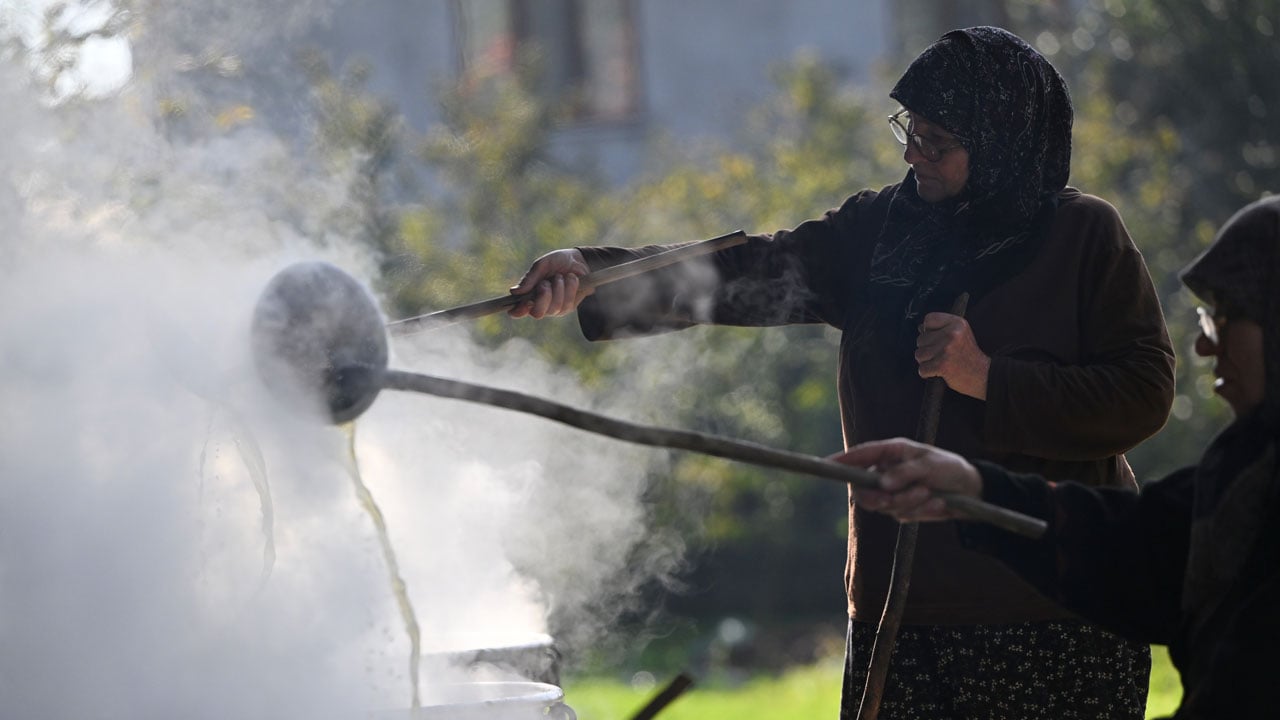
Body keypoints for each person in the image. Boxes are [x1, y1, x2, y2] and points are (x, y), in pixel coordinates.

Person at [509, 27, 1175, 718]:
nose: (914, 152)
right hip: (901, 610)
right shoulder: (881, 229)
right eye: (909, 130)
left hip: (1055, 616)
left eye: (939, 141)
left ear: (1005, 142)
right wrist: (595, 275)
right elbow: (751, 270)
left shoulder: (1084, 236)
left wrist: (989, 377)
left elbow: (1143, 395)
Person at [835, 194, 1280, 719]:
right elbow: (1146, 547)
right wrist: (974, 489)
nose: (1207, 347)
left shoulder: (1087, 231)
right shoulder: (1252, 465)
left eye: (1226, 318)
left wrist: (990, 379)